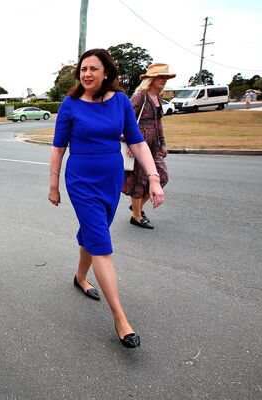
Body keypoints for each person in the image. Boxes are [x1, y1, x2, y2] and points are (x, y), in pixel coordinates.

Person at [48, 48, 165, 348]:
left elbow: (137, 142)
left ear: (106, 72)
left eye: (93, 69)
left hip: (111, 179)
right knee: (101, 241)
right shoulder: (71, 104)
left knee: (93, 232)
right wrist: (53, 185)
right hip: (81, 181)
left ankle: (80, 277)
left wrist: (153, 178)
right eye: (83, 69)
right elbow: (58, 147)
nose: (87, 74)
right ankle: (120, 318)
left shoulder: (122, 102)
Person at [122, 63, 174, 229]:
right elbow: (126, 119)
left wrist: (163, 143)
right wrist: (131, 142)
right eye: (161, 77)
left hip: (154, 144)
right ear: (151, 78)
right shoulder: (140, 95)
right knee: (140, 180)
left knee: (162, 176)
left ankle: (137, 207)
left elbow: (158, 123)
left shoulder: (158, 97)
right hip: (138, 142)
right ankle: (136, 216)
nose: (164, 80)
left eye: (166, 77)